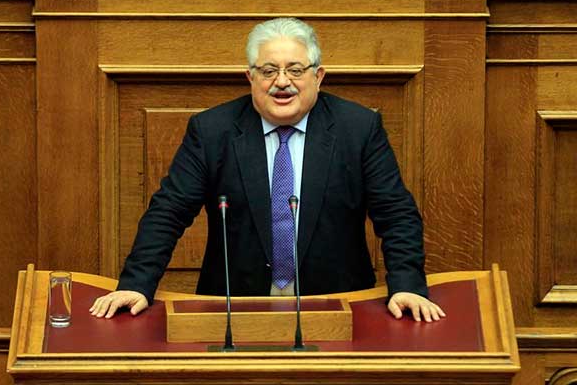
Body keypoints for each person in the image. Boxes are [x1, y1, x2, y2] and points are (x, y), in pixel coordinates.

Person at [90, 17, 445, 323]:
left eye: (295, 70)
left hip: (337, 302)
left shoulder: (359, 128)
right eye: (269, 70)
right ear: (250, 77)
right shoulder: (213, 131)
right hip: (233, 307)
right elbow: (168, 211)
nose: (282, 81)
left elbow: (395, 214)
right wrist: (136, 284)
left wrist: (407, 286)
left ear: (318, 76)